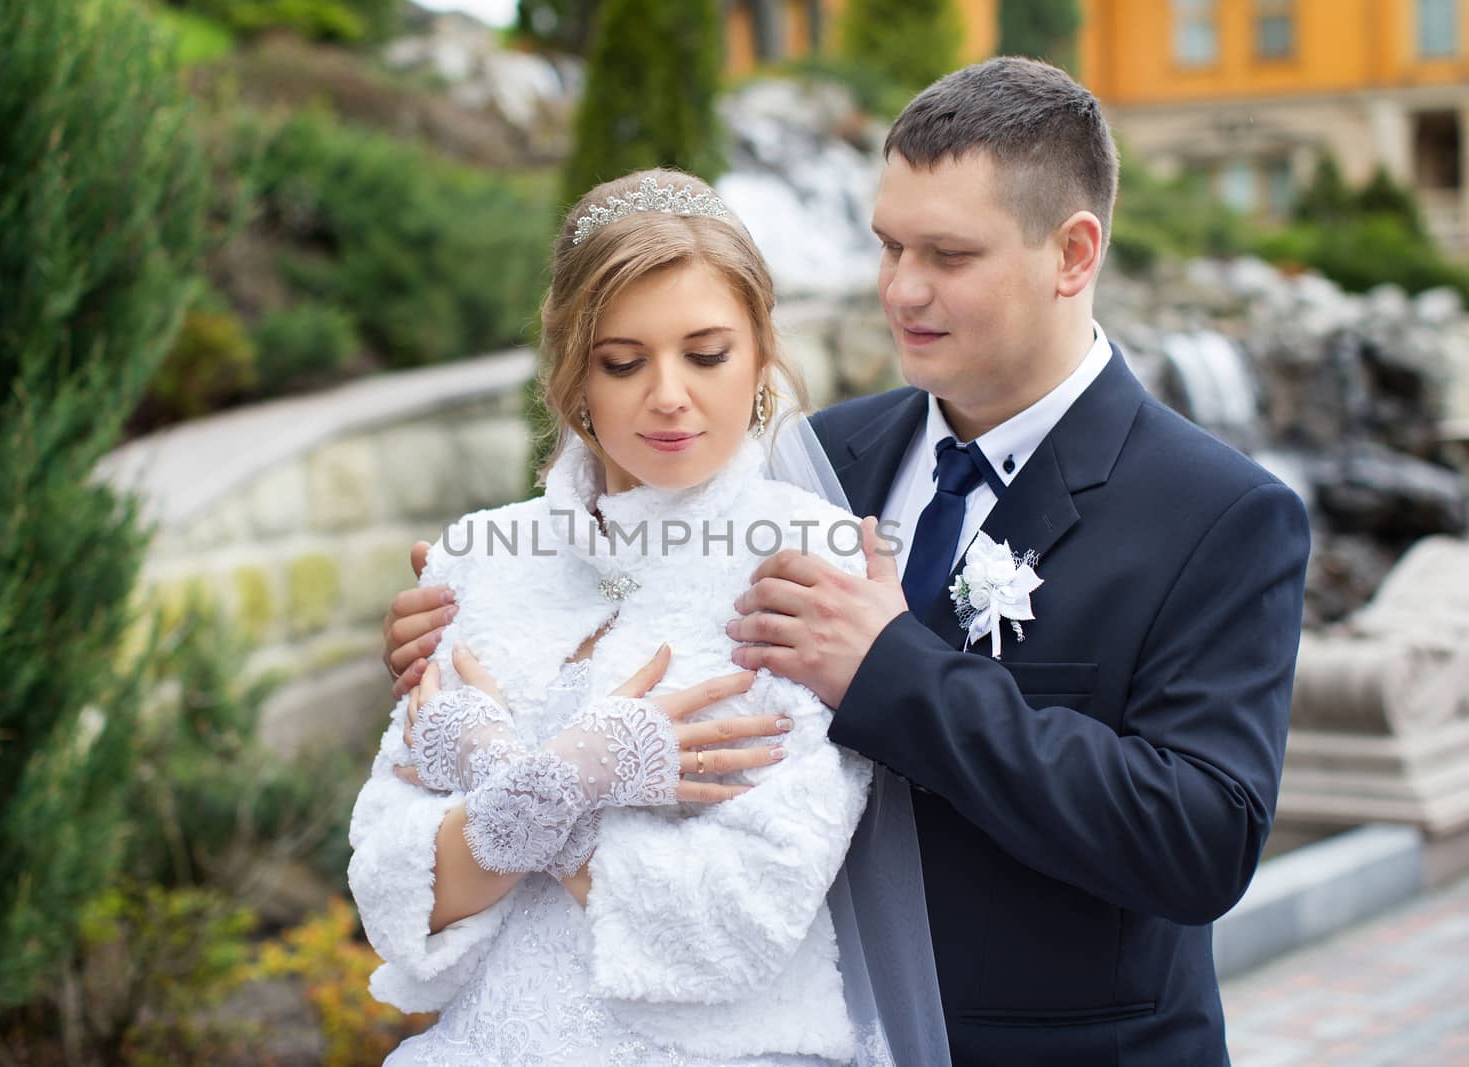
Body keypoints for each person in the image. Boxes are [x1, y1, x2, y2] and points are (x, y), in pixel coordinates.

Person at [387, 59, 1311, 1066]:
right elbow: (635, 616)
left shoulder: (1221, 513)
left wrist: (894, 672)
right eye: (888, 246)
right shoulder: (819, 459)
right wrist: (473, 626)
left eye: (948, 255)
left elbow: (1198, 838)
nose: (901, 289)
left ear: (1072, 253)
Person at [352, 168, 927, 1066]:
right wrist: (566, 777)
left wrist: (540, 789)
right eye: (623, 361)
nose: (668, 394)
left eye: (706, 355)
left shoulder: (814, 564)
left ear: (762, 354)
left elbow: (746, 913)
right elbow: (391, 886)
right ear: (574, 369)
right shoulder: (477, 554)